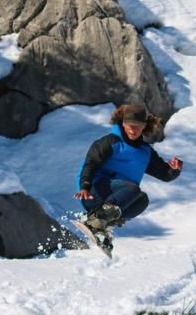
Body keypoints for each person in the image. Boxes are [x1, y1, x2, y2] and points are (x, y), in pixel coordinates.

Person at [74, 104, 183, 248]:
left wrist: (174, 169)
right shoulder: (109, 142)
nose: (133, 129)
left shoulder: (145, 152)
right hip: (93, 192)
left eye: (138, 126)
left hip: (119, 197)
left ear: (144, 126)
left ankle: (102, 228)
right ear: (123, 123)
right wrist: (85, 185)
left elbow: (165, 174)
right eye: (130, 125)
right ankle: (94, 221)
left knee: (142, 200)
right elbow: (91, 164)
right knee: (133, 189)